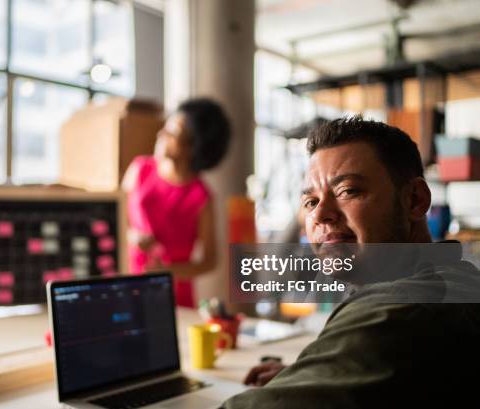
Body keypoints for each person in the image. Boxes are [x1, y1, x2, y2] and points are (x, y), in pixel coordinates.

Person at [223, 117, 480, 408]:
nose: (320, 215)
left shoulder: (398, 312)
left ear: (414, 200)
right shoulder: (457, 277)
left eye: (348, 191)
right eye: (311, 202)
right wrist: (318, 377)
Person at [122, 98, 231, 307]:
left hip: (173, 297)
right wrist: (132, 235)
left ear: (193, 146)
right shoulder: (139, 169)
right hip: (127, 286)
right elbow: (119, 220)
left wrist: (165, 272)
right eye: (165, 128)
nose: (160, 135)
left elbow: (210, 261)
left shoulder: (201, 197)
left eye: (172, 133)